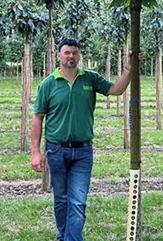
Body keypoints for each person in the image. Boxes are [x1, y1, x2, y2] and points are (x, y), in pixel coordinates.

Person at [31, 38, 138, 241]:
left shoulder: (90, 79)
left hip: (83, 152)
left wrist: (129, 68)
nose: (71, 56)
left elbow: (116, 90)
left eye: (74, 52)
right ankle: (64, 235)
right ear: (59, 55)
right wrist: (35, 151)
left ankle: (72, 238)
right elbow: (38, 117)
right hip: (56, 150)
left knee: (78, 201)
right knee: (61, 200)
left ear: (79, 55)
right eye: (67, 52)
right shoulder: (48, 84)